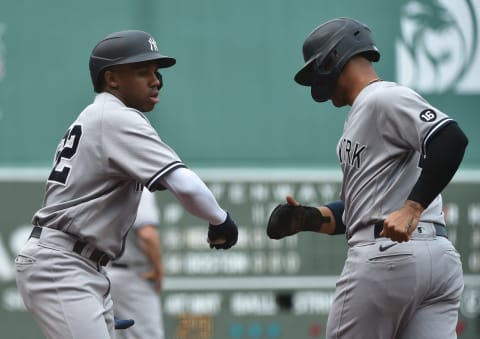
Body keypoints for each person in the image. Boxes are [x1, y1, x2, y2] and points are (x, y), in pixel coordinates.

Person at [14, 29, 238, 339]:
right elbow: (184, 184)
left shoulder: (95, 117)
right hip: (64, 263)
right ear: (112, 78)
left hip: (77, 263)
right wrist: (220, 220)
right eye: (142, 71)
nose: (156, 80)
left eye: (157, 72)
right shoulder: (116, 118)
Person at [266, 17, 468, 339]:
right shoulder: (364, 113)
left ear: (334, 58)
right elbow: (356, 211)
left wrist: (412, 208)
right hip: (437, 261)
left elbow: (450, 138)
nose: (314, 79)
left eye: (315, 67)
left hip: (387, 257)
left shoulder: (381, 98)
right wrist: (306, 218)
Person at [108, 189, 166, 339]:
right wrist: (159, 269)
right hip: (133, 277)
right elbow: (147, 235)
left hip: (105, 273)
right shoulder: (138, 187)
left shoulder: (108, 184)